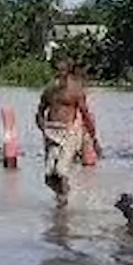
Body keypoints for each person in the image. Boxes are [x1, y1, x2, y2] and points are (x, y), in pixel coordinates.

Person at [35, 62, 102, 205]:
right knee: (48, 176)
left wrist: (94, 139)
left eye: (62, 71)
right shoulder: (49, 90)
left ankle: (64, 202)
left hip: (69, 132)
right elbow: (40, 110)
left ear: (67, 73)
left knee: (61, 171)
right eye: (56, 71)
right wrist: (42, 127)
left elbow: (86, 115)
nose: (58, 74)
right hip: (51, 132)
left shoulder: (75, 90)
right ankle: (62, 195)